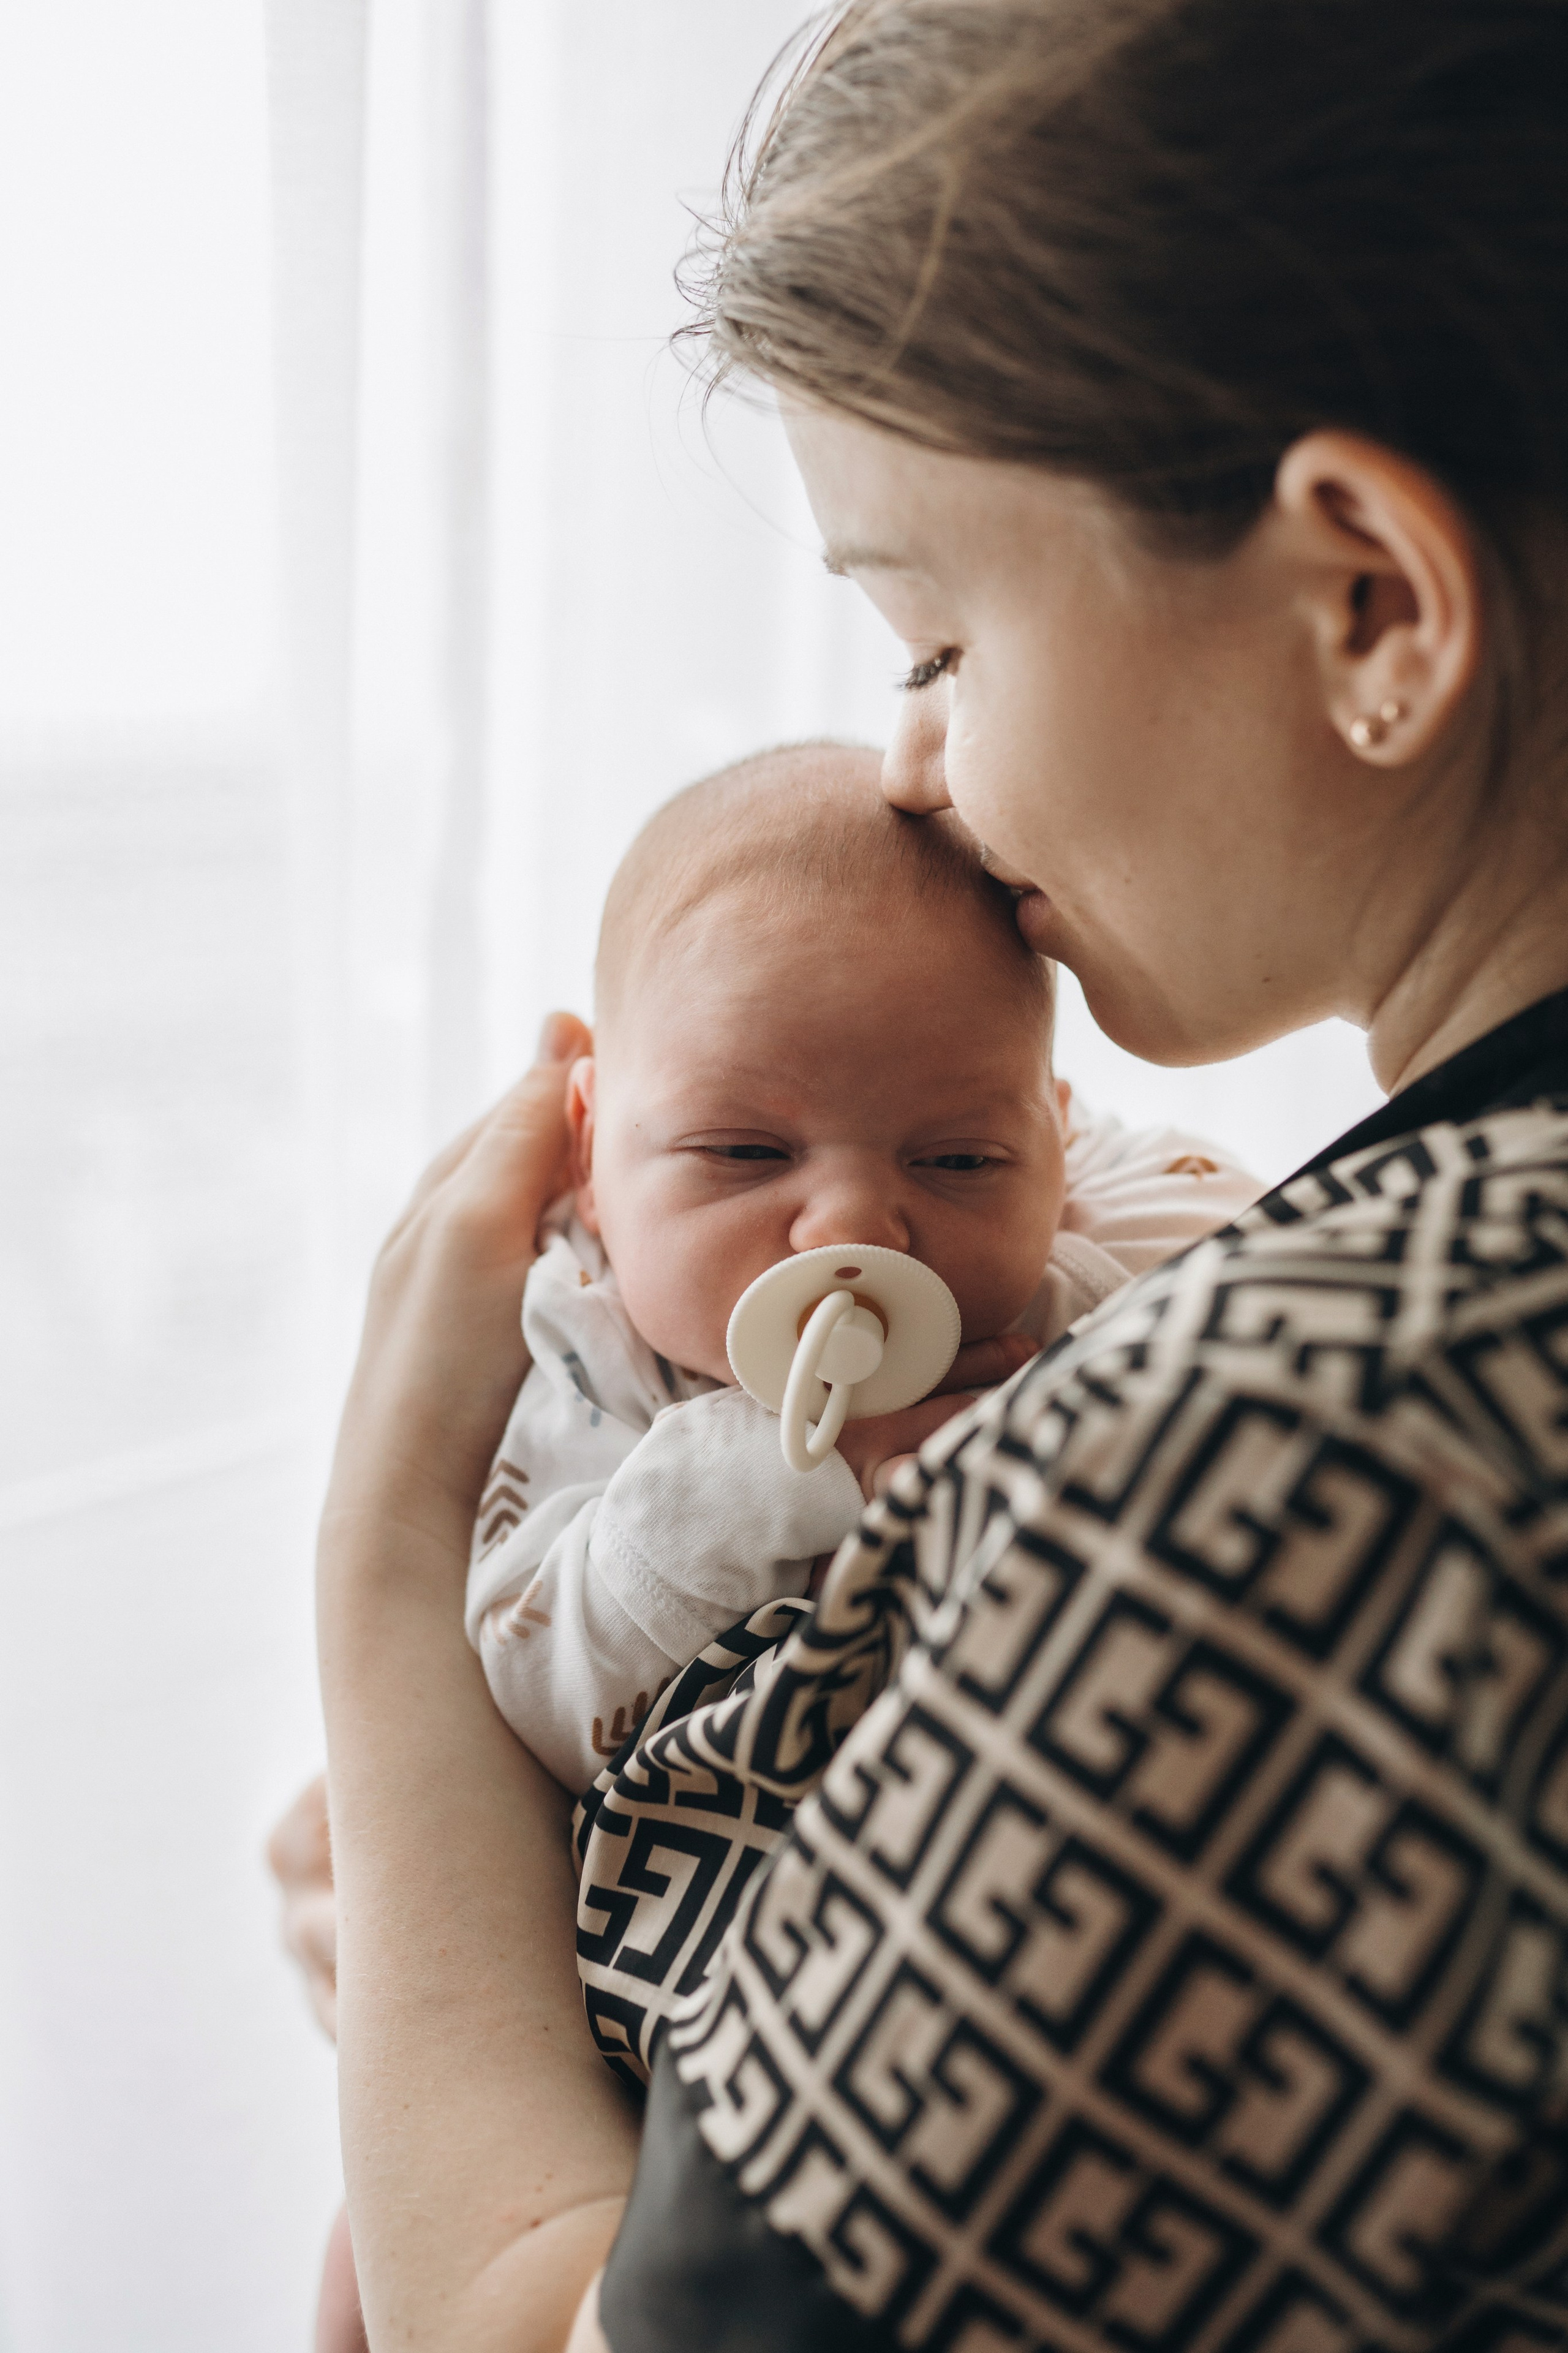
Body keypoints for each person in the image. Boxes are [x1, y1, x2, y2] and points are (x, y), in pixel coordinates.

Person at [291, 0, 1568, 2345]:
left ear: (1371, 603)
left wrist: (388, 1604)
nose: (910, 772)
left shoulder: (1303, 1438)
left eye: (941, 639)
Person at [468, 742, 1256, 1797]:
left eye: (957, 1161)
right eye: (744, 1152)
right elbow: (532, 1695)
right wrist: (775, 1473)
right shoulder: (592, 1348)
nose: (855, 1232)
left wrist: (1066, 1306)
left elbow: (1260, 1270)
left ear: (1060, 1150)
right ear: (590, 1156)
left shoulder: (1078, 1241)